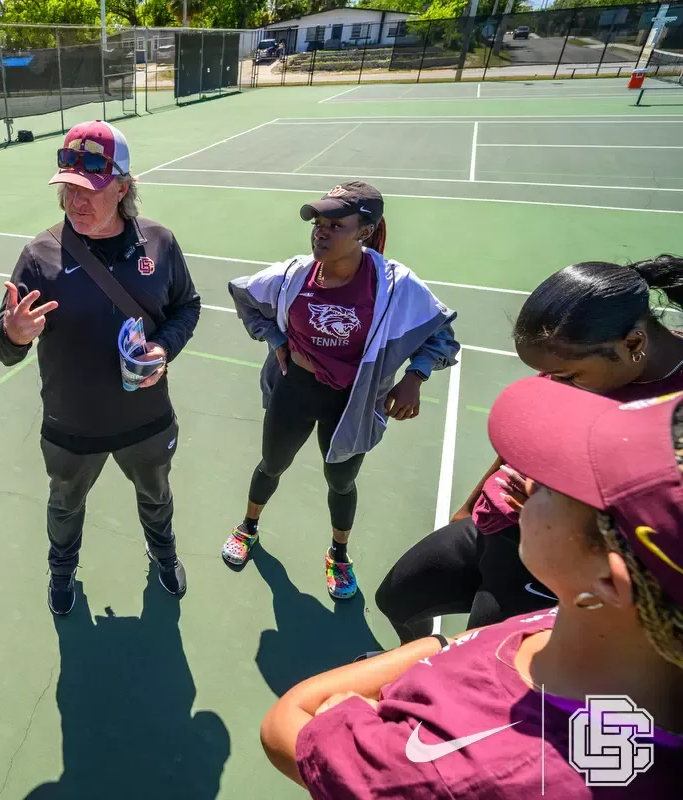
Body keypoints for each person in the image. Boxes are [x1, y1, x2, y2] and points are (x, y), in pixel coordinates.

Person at [260, 376, 683, 798]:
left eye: (557, 486)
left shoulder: (457, 766)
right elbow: (489, 640)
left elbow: (287, 725)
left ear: (610, 579)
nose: (530, 482)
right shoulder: (600, 626)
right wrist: (436, 656)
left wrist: (353, 706)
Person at [376, 254, 683, 643]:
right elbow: (526, 438)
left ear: (634, 342)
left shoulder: (673, 411)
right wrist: (471, 505)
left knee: (483, 655)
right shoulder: (577, 362)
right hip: (500, 521)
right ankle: (414, 658)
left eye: (568, 376)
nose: (558, 385)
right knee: (396, 598)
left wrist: (577, 515)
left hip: (557, 559)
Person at [0, 120, 202, 616]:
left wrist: (163, 349)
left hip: (145, 419)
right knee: (65, 504)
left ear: (123, 187)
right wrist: (13, 335)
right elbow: (1, 345)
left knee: (156, 494)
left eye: (90, 190)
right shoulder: (39, 256)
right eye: (67, 189)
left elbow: (186, 307)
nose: (74, 202)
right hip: (71, 427)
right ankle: (62, 570)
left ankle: (162, 552)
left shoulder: (160, 243)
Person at [224, 182, 459, 599]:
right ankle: (249, 526)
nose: (320, 232)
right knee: (271, 464)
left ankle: (338, 553)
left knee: (340, 481)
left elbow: (441, 334)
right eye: (318, 224)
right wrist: (276, 340)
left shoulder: (394, 285)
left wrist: (415, 376)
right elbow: (246, 297)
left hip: (351, 403)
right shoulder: (292, 275)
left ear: (364, 232)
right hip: (294, 390)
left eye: (335, 225)